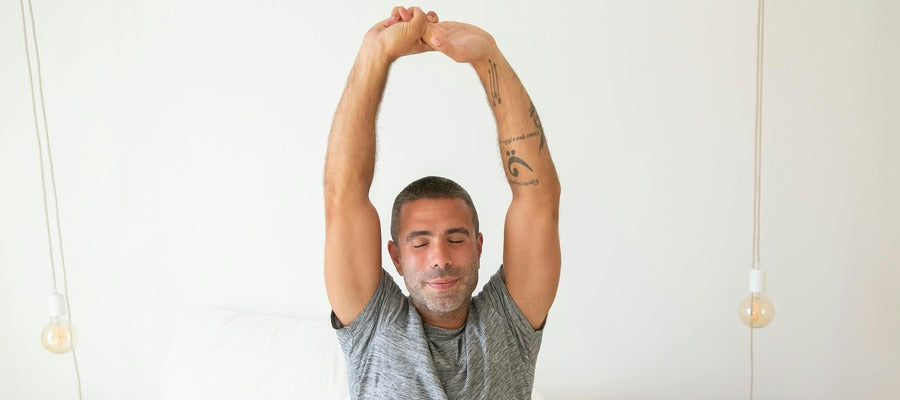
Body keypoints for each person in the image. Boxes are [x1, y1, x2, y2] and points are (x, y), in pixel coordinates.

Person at [323, 6, 561, 399]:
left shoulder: (508, 325)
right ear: (395, 256)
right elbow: (342, 196)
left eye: (456, 238)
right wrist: (374, 57)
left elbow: (539, 197)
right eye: (419, 242)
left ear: (479, 245)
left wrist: (488, 59)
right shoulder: (374, 326)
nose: (440, 258)